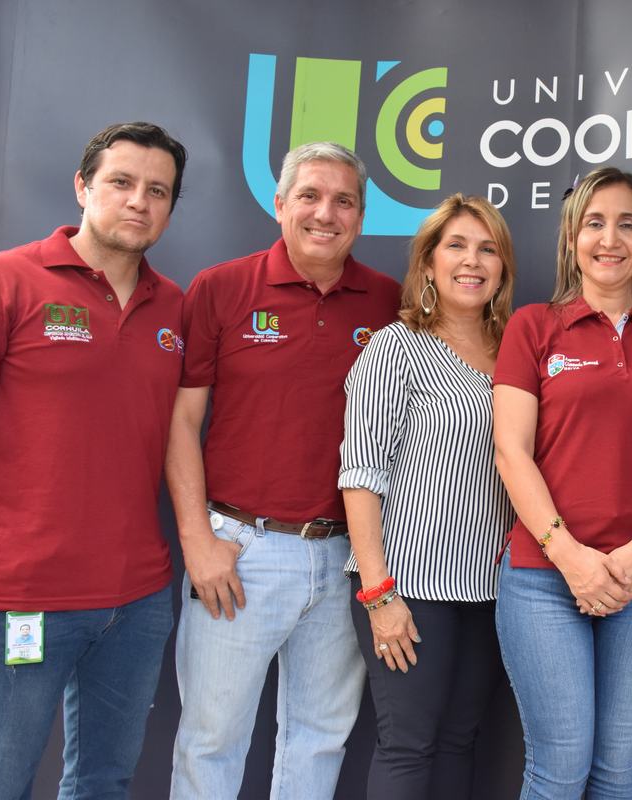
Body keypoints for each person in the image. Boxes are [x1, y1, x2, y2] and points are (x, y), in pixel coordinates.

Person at [0, 121, 187, 798]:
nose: (138, 200)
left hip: (137, 601)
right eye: (121, 182)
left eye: (158, 191)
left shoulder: (174, 307)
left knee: (104, 784)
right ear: (82, 187)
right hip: (19, 597)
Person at [168, 141, 400, 799]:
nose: (326, 213)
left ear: (361, 216)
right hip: (240, 552)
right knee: (211, 742)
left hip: (346, 558)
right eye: (310, 196)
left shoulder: (388, 302)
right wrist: (198, 541)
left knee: (319, 739)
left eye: (344, 201)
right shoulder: (222, 288)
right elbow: (181, 423)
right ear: (279, 204)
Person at [492, 167, 632, 799]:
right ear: (571, 238)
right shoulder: (533, 326)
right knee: (559, 767)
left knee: (619, 769)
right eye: (594, 223)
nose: (610, 239)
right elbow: (511, 451)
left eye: (627, 224)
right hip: (544, 576)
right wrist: (571, 558)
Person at [339, 194, 517, 799]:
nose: (472, 261)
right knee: (408, 745)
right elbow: (360, 473)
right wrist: (378, 593)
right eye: (456, 246)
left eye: (488, 249)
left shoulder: (516, 353)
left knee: (460, 741)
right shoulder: (395, 347)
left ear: (503, 268)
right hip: (409, 587)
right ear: (429, 263)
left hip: (490, 589)